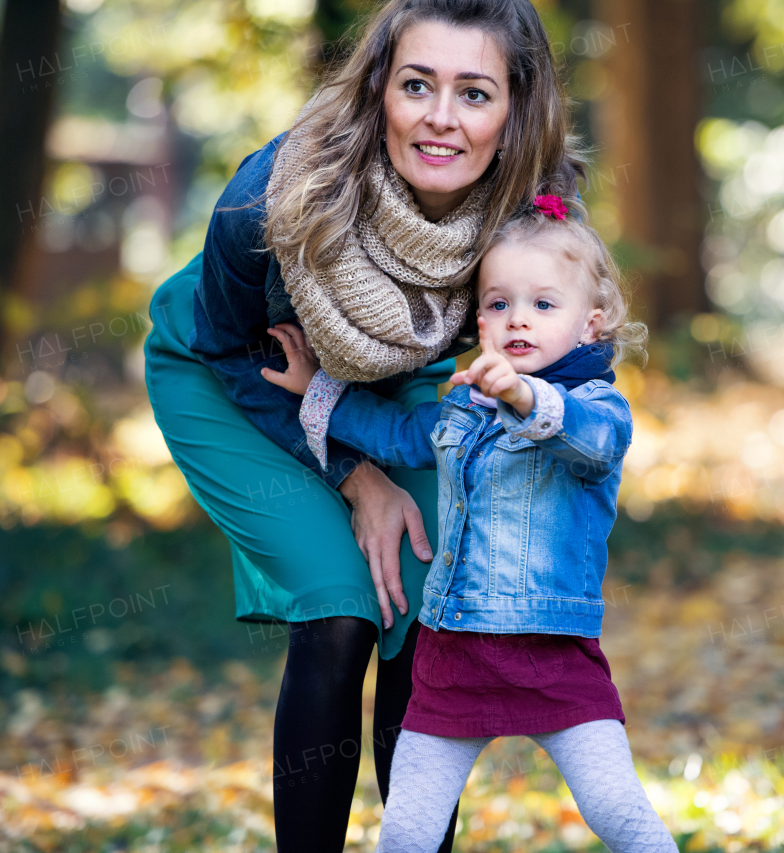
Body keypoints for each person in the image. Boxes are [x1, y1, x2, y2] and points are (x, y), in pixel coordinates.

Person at [142, 0, 585, 847]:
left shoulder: (529, 212)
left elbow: (569, 352)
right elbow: (233, 351)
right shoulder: (267, 198)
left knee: (424, 613)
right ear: (381, 85)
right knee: (342, 608)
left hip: (393, 382)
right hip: (233, 375)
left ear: (517, 106)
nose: (441, 119)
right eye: (417, 84)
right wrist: (357, 476)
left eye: (475, 93)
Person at [265, 200, 676, 852]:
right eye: (497, 302)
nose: (517, 318)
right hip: (452, 655)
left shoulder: (598, 406)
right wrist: (317, 388)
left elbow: (591, 443)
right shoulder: (465, 401)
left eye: (544, 305)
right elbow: (401, 435)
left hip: (552, 654)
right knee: (407, 828)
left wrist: (522, 395)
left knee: (617, 808)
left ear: (592, 325)